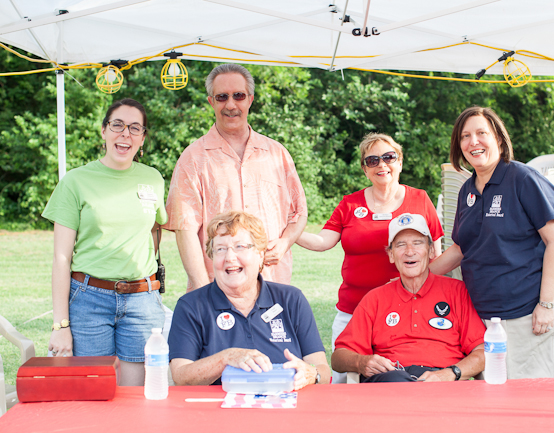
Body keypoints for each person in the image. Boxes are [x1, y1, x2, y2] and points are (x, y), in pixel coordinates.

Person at [429, 106, 554, 379]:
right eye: (465, 136)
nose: (473, 142)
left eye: (482, 133)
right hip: (481, 316)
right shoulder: (467, 190)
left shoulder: (523, 179)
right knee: (491, 400)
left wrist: (546, 305)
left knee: (531, 402)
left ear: (499, 140)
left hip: (527, 314)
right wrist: (419, 276)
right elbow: (461, 248)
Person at [296, 133, 443, 382]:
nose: (381, 165)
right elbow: (322, 242)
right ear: (365, 169)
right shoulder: (350, 204)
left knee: (395, 380)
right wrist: (288, 233)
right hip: (352, 311)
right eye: (372, 160)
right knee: (343, 382)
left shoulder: (420, 199)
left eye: (388, 157)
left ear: (400, 162)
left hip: (404, 312)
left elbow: (435, 259)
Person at [42, 98, 168, 385]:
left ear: (143, 137)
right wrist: (61, 324)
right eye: (118, 125)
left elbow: (157, 226)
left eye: (135, 128)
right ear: (103, 131)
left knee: (136, 393)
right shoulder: (75, 181)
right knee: (96, 390)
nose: (126, 134)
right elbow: (61, 258)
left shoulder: (153, 179)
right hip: (89, 300)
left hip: (142, 300)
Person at [164, 63, 307, 291]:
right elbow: (185, 230)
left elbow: (299, 213)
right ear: (211, 101)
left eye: (238, 96)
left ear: (250, 99)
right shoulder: (192, 158)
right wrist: (203, 291)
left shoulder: (277, 153)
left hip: (272, 284)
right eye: (222, 97)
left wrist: (284, 243)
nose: (230, 105)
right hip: (217, 288)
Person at [168, 211, 330, 389]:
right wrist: (226, 358)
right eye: (220, 249)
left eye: (240, 247)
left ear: (260, 254)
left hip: (284, 408)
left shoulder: (291, 300)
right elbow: (180, 375)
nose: (229, 257)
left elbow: (322, 369)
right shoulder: (192, 306)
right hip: (218, 411)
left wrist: (312, 374)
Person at [331, 213, 485, 382]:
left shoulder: (457, 291)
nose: (409, 252)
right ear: (390, 254)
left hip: (443, 382)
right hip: (390, 380)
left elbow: (483, 350)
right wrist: (361, 362)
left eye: (418, 243)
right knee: (396, 381)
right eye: (400, 245)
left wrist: (450, 373)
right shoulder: (375, 298)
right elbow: (338, 358)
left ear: (431, 250)